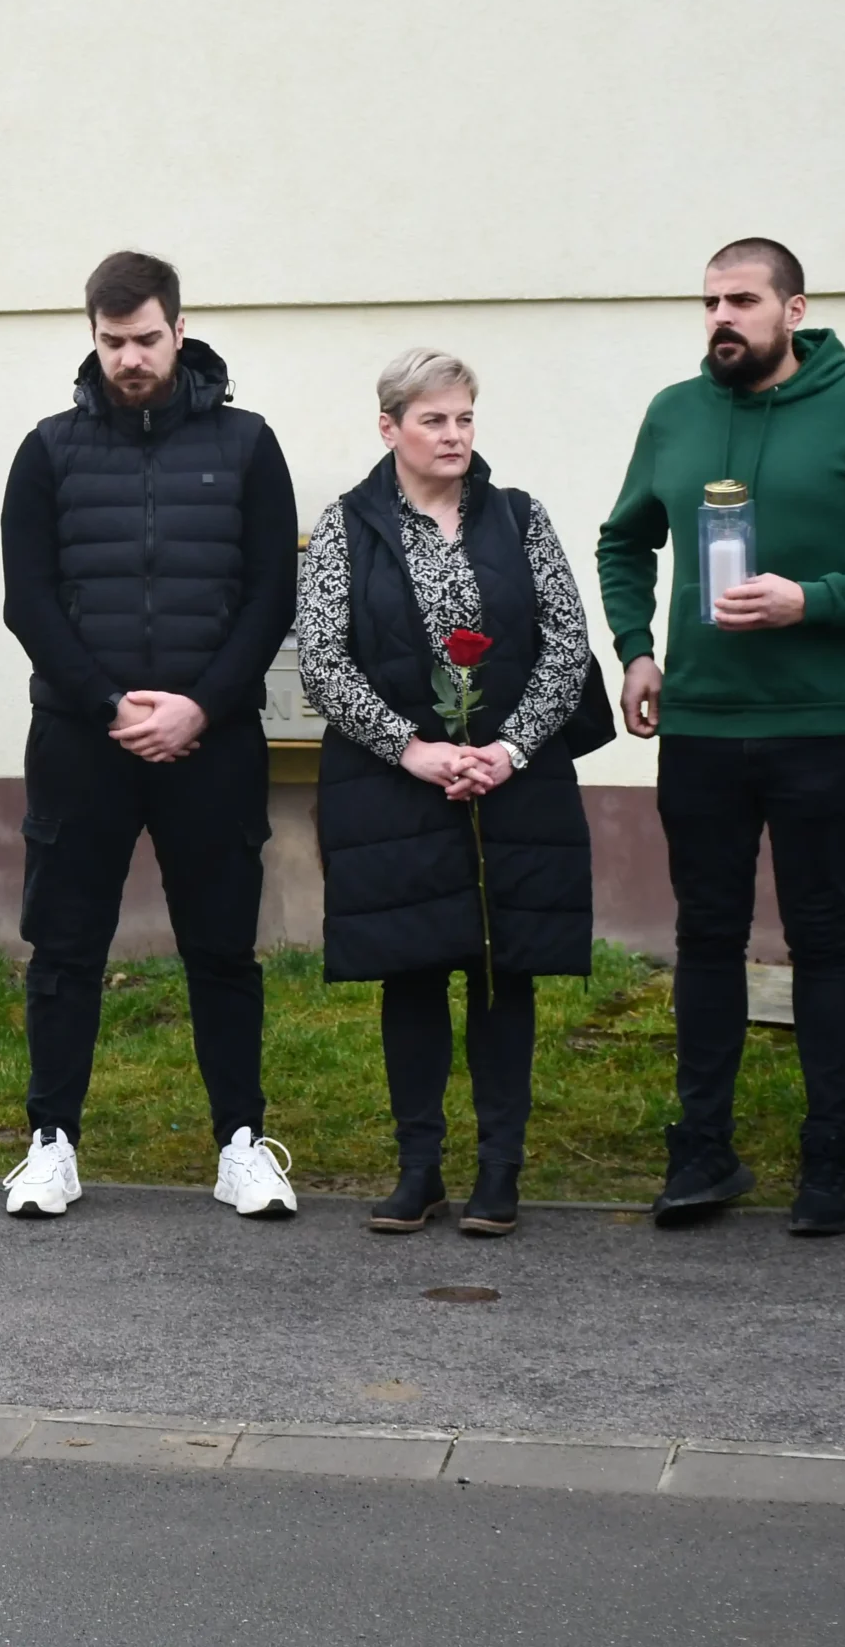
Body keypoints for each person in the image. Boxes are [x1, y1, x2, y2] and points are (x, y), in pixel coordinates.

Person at [597, 238, 845, 1238]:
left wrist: (814, 601)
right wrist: (634, 650)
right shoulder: (673, 413)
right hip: (700, 726)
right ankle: (702, 1151)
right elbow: (625, 538)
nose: (720, 316)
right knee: (705, 936)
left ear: (793, 310)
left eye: (741, 299)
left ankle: (828, 1158)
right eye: (708, 300)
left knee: (820, 935)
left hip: (822, 726)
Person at [0, 249, 301, 1220]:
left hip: (212, 741)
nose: (129, 358)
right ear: (92, 336)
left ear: (178, 329)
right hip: (83, 742)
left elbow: (269, 597)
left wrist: (198, 707)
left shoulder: (248, 446)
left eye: (146, 339)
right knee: (64, 947)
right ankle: (51, 1143)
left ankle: (241, 1144)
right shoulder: (46, 451)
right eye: (111, 341)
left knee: (221, 950)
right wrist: (109, 706)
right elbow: (27, 600)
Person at [299, 350, 598, 1236]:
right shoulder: (346, 528)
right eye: (434, 420)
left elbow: (565, 643)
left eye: (465, 418)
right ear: (389, 427)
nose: (455, 435)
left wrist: (509, 748)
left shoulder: (518, 517)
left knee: (506, 973)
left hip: (515, 783)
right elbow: (322, 659)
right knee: (415, 970)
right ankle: (418, 1168)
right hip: (397, 789)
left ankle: (499, 1170)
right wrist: (412, 749)